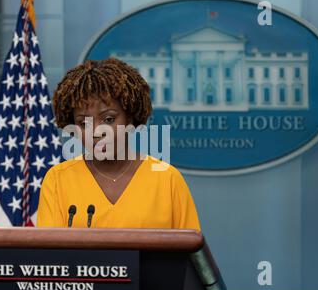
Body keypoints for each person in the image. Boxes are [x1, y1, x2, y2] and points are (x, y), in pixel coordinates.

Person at [36, 57, 201, 230]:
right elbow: (50, 255)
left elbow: (189, 254)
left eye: (108, 119)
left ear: (129, 117)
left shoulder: (168, 181)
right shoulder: (58, 180)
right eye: (84, 123)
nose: (97, 132)